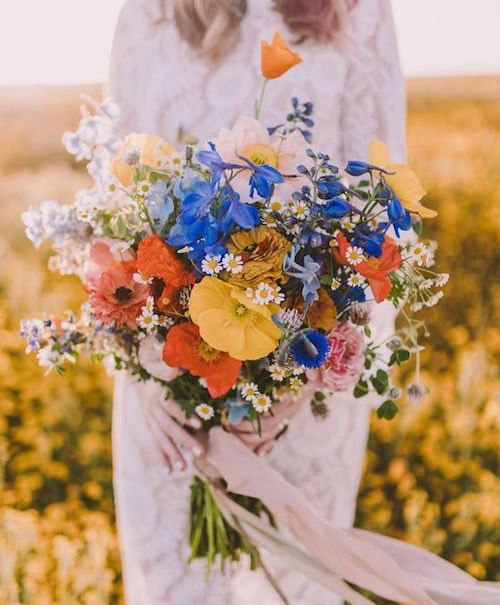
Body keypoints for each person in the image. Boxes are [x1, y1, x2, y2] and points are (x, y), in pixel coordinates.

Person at [109, 1, 406, 603]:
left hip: (302, 397)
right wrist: (148, 367)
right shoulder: (149, 12)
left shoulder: (361, 12)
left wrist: (293, 387)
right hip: (166, 402)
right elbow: (114, 202)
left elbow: (383, 213)